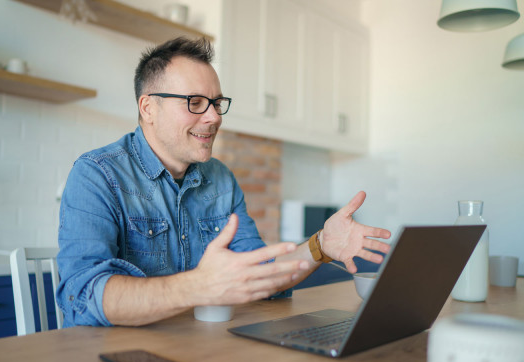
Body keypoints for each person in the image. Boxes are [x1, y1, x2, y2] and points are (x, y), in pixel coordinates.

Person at [56, 37, 391, 327]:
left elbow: (261, 276)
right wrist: (198, 286)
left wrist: (321, 245)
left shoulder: (219, 180)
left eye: (217, 103)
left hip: (198, 349)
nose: (214, 117)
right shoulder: (97, 175)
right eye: (195, 102)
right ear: (148, 108)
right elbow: (82, 296)